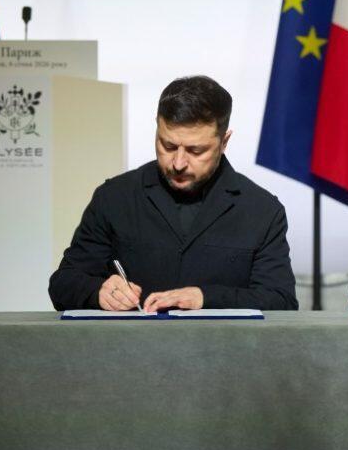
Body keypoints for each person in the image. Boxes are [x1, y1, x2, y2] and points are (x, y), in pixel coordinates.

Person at [49, 76, 298, 311]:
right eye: (168, 146)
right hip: (131, 343)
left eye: (195, 151)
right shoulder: (114, 197)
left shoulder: (262, 210)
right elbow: (63, 283)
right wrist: (98, 292)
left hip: (221, 344)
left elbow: (281, 301)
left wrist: (205, 298)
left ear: (224, 142)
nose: (178, 163)